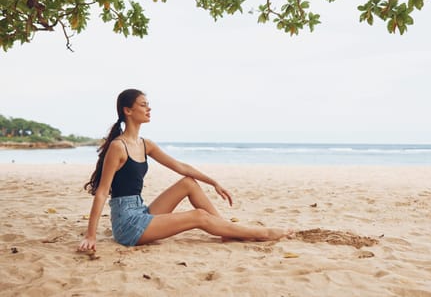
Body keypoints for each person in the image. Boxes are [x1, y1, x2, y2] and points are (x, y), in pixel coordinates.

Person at [78, 89, 292, 251]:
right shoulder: (118, 146)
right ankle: (263, 233)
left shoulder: (146, 144)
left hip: (141, 212)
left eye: (148, 104)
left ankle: (225, 230)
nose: (149, 108)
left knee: (188, 183)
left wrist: (214, 182)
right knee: (199, 216)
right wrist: (90, 236)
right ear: (128, 110)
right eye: (143, 105)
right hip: (128, 224)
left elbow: (181, 167)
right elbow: (103, 192)